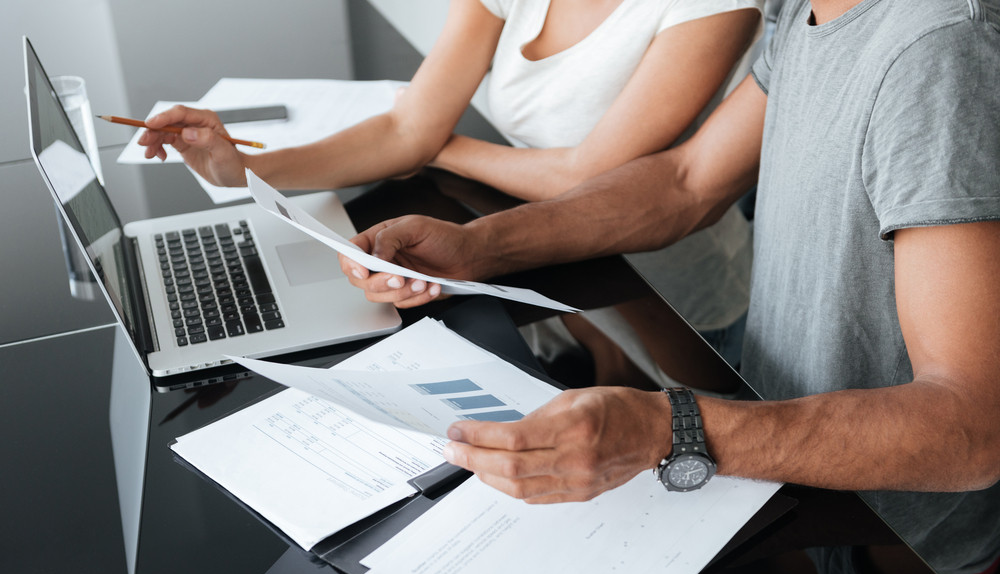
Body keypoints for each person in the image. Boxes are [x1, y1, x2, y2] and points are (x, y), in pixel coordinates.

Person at [338, 0, 1000, 574]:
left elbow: (973, 426)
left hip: (892, 540)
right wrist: (482, 245)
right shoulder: (805, 8)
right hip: (782, 463)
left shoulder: (940, 51)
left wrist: (672, 427)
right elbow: (688, 180)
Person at [138, 0, 765, 379]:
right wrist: (238, 170)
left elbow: (584, 175)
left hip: (664, 292)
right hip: (553, 266)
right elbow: (405, 125)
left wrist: (445, 147)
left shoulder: (709, 6)